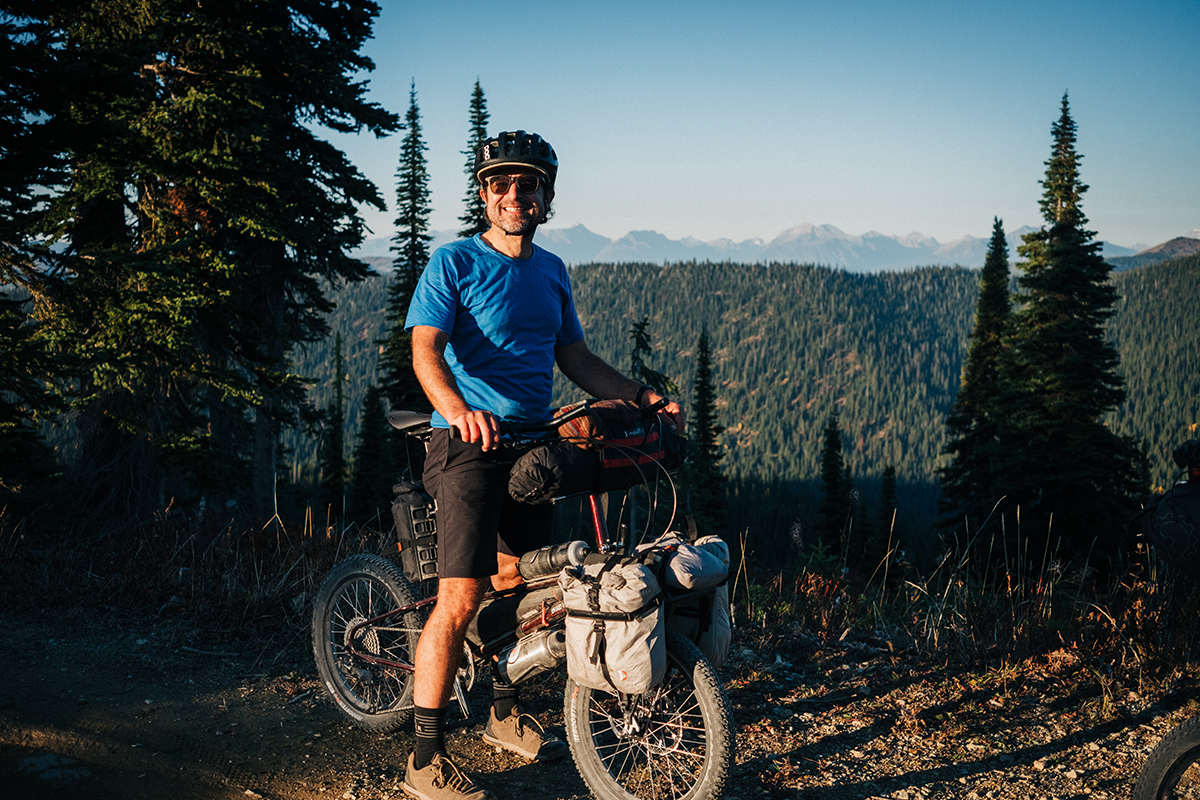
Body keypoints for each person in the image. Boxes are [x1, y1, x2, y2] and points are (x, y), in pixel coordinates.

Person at [401, 130, 684, 800]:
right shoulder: (454, 264)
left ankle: (503, 714)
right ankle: (422, 757)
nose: (514, 195)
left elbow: (576, 361)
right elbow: (425, 352)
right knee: (461, 596)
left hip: (534, 449)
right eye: (500, 184)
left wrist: (643, 398)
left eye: (527, 184)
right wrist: (458, 409)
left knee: (518, 591)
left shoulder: (551, 271)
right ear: (484, 194)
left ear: (546, 194)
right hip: (466, 444)